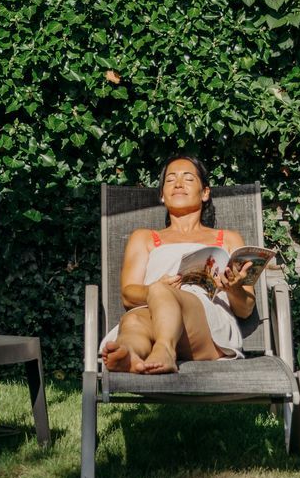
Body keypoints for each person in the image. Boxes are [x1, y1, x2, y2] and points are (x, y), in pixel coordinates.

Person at [100, 153, 256, 375]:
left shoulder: (228, 239)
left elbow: (245, 309)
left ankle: (164, 350)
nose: (178, 184)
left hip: (209, 330)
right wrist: (156, 291)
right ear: (162, 195)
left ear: (205, 193)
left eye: (188, 179)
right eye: (170, 180)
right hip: (156, 312)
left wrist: (234, 289)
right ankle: (129, 353)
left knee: (159, 293)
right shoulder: (144, 237)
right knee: (134, 319)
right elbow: (128, 295)